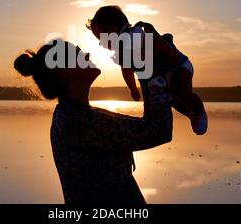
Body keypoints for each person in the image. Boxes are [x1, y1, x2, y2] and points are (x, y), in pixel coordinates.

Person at [14, 40, 173, 204]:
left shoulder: (77, 114)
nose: (87, 55)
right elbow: (159, 130)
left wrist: (146, 71)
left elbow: (149, 124)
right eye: (78, 53)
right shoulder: (78, 121)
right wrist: (153, 74)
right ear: (65, 71)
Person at [87, 5, 207, 135]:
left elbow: (155, 40)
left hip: (177, 65)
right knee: (170, 98)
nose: (101, 43)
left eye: (101, 38)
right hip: (163, 76)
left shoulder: (132, 35)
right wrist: (132, 88)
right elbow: (126, 71)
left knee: (183, 92)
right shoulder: (122, 52)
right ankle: (190, 114)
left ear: (112, 29)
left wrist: (170, 52)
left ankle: (200, 113)